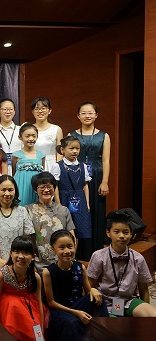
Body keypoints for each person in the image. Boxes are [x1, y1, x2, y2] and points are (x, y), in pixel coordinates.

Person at [43, 230, 107, 341]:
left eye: (70, 246)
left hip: (76, 304)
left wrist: (93, 290)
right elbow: (51, 302)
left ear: (75, 246)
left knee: (100, 300)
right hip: (59, 309)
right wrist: (76, 312)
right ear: (53, 249)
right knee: (71, 321)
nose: (67, 251)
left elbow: (88, 292)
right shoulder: (48, 272)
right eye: (62, 248)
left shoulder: (80, 267)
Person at [87, 211, 156, 317]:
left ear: (131, 234)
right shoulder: (98, 256)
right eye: (116, 232)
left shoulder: (138, 258)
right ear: (108, 233)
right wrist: (92, 291)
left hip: (129, 301)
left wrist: (145, 319)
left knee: (152, 315)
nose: (121, 236)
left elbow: (144, 289)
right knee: (115, 325)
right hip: (104, 303)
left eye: (125, 232)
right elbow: (89, 284)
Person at [0, 236, 48, 341]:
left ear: (33, 257)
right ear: (11, 254)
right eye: (17, 252)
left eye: (26, 253)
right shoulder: (1, 275)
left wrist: (41, 334)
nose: (21, 256)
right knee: (13, 305)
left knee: (33, 325)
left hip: (29, 307)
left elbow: (39, 304)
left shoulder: (36, 277)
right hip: (8, 308)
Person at [70, 102, 111, 253]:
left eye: (90, 113)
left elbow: (106, 161)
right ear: (78, 116)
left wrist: (105, 182)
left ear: (96, 115)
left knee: (97, 213)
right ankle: (79, 251)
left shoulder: (104, 136)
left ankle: (96, 250)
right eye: (83, 113)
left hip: (97, 177)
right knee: (79, 212)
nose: (87, 116)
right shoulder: (71, 135)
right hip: (77, 177)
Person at [51, 135, 92, 261]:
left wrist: (87, 203)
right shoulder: (58, 166)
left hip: (80, 199)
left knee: (79, 229)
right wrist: (58, 203)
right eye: (71, 148)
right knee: (64, 228)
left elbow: (85, 185)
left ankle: (73, 256)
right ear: (62, 150)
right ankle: (61, 256)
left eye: (77, 148)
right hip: (64, 198)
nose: (75, 151)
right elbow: (55, 186)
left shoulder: (83, 166)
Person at [0, 175, 34, 279]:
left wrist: (20, 258)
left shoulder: (22, 211)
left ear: (15, 191)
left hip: (20, 260)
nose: (7, 193)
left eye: (10, 190)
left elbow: (28, 236)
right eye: (3, 190)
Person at [25, 172, 76, 270]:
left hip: (62, 263)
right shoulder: (27, 210)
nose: (46, 190)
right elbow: (27, 239)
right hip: (38, 264)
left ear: (54, 188)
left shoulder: (63, 210)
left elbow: (72, 237)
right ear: (36, 190)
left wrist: (70, 259)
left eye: (49, 187)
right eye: (42, 187)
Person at [11, 123, 45, 206]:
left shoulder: (41, 155)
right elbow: (14, 173)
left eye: (34, 136)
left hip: (36, 186)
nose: (31, 139)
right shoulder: (16, 155)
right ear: (20, 137)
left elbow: (42, 174)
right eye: (27, 136)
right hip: (21, 185)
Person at [31, 97, 63, 171]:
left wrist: (58, 169)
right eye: (36, 109)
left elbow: (60, 152)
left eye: (43, 108)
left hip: (51, 165)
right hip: (32, 164)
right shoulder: (28, 129)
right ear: (33, 112)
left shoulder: (56, 129)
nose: (40, 111)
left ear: (49, 110)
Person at [0, 98, 22, 175]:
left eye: (10, 109)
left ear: (14, 112)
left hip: (19, 168)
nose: (8, 112)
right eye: (4, 109)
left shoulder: (21, 130)